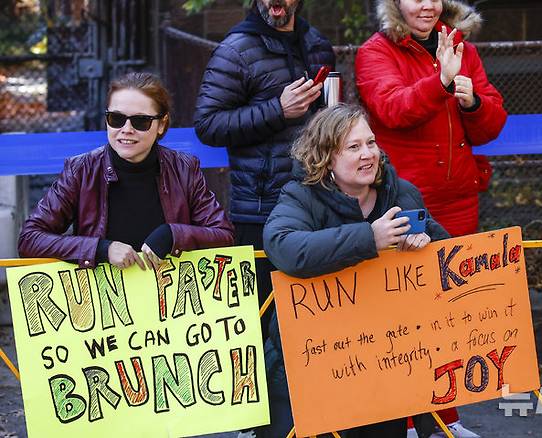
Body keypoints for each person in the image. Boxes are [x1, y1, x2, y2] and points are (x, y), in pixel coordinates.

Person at [354, 1, 505, 435]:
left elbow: (491, 124)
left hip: (459, 199)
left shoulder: (460, 45)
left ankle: (444, 419)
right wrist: (439, 81)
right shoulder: (377, 51)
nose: (426, 4)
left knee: (451, 314)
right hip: (406, 201)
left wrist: (473, 100)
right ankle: (401, 419)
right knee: (402, 316)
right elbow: (391, 109)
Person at [262, 103, 450, 437]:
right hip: (312, 363)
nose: (368, 154)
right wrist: (368, 238)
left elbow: (444, 254)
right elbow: (283, 247)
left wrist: (426, 242)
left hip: (385, 360)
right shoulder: (301, 195)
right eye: (353, 147)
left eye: (371, 143)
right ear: (325, 157)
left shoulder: (401, 192)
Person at [194, 0, 335, 339]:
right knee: (260, 325)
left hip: (318, 202)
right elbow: (207, 125)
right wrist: (278, 110)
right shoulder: (235, 49)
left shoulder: (316, 44)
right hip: (260, 212)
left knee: (314, 322)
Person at [18, 72, 234, 269]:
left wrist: (173, 235)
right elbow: (30, 239)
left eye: (141, 121)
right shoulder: (81, 171)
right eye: (116, 119)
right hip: (103, 305)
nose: (126, 130)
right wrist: (100, 249)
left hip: (169, 303)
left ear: (161, 124)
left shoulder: (184, 168)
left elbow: (224, 235)